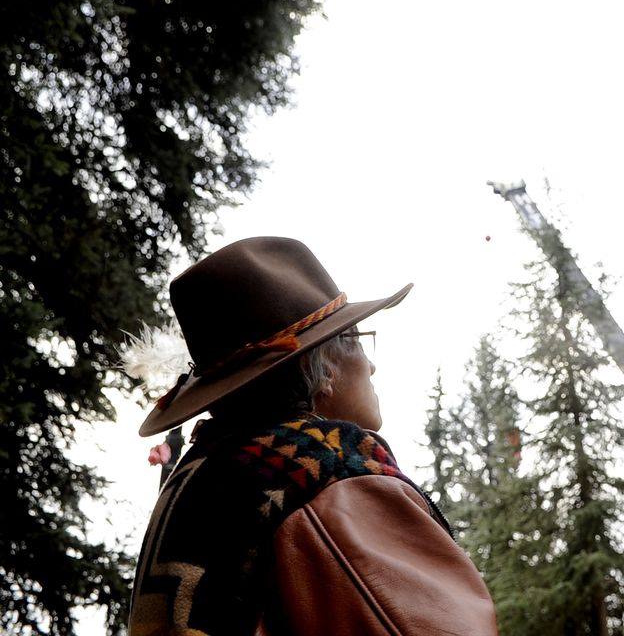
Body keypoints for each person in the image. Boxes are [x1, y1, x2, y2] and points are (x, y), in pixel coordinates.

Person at [128, 236, 497, 635]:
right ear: (322, 365)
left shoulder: (199, 476)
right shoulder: (321, 471)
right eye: (357, 338)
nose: (371, 366)